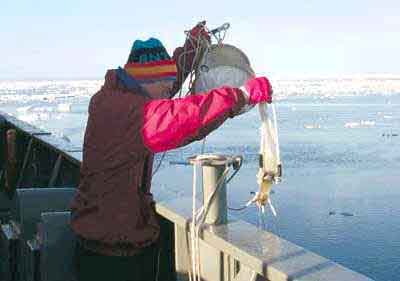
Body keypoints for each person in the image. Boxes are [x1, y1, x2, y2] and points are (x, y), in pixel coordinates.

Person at [70, 22, 273, 281]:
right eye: (165, 87)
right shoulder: (128, 113)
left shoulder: (121, 95)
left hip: (111, 243)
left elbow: (167, 82)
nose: (170, 92)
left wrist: (192, 50)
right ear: (146, 81)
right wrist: (241, 95)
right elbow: (180, 118)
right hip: (109, 259)